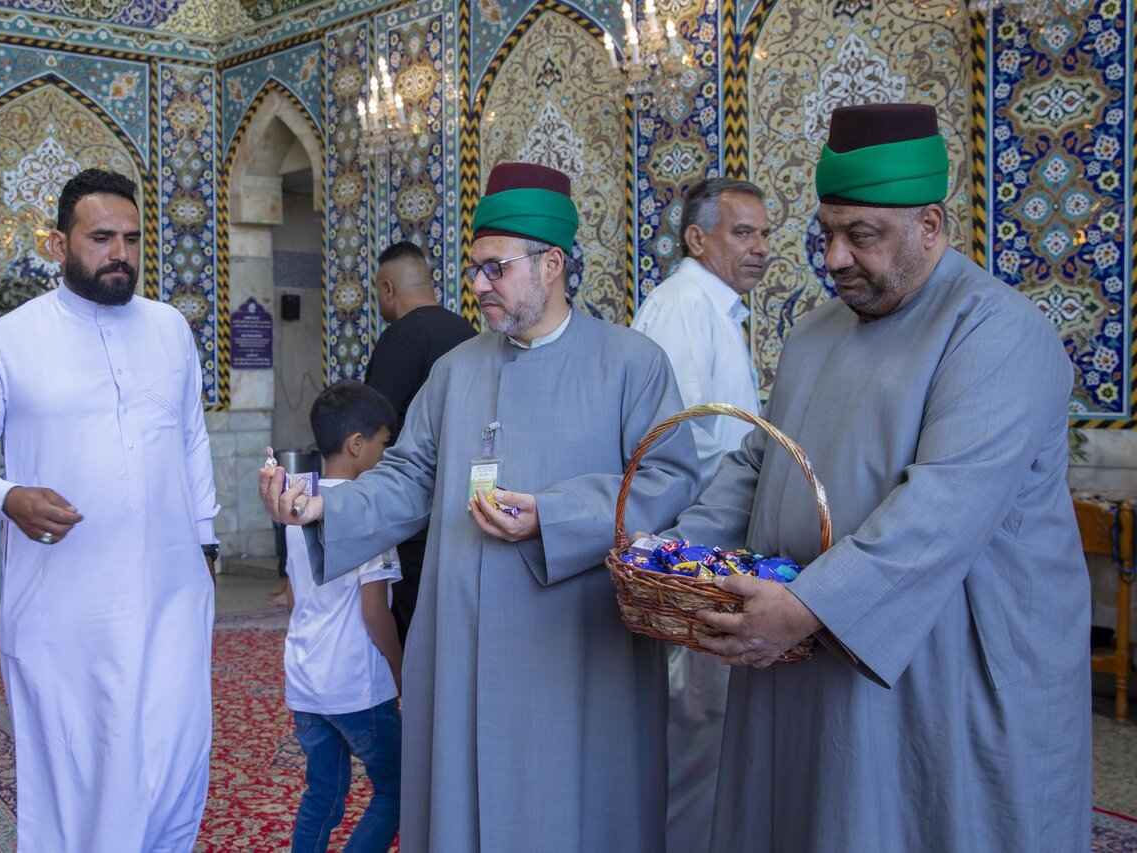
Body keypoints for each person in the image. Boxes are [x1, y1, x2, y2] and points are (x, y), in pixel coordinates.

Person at [665, 103, 1091, 851]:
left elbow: (942, 508)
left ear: (929, 225)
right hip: (804, 655)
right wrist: (668, 554)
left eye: (860, 235)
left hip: (944, 671)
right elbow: (761, 462)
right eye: (826, 233)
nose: (834, 258)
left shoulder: (995, 331)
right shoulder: (814, 333)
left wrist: (805, 606)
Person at [262, 162, 700, 851]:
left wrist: (555, 515)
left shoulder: (631, 364)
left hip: (574, 650)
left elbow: (668, 480)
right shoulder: (456, 370)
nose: (478, 285)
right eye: (474, 268)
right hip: (461, 638)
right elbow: (407, 475)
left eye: (496, 269)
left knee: (572, 811)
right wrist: (322, 508)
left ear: (551, 264)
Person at [0, 168, 220, 852]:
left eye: (132, 239)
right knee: (82, 765)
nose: (120, 253)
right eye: (101, 238)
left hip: (173, 590)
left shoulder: (169, 329)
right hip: (64, 601)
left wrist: (205, 544)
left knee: (174, 755)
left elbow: (190, 438)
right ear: (59, 244)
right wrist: (6, 496)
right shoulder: (9, 341)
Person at [631, 177, 771, 852]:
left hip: (713, 552)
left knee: (707, 729)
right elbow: (678, 447)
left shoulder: (712, 309)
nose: (760, 247)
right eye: (743, 233)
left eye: (764, 234)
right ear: (696, 238)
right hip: (693, 557)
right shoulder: (686, 307)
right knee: (693, 726)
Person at [281, 380, 403, 853]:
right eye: (384, 443)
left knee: (323, 794)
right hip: (357, 685)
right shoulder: (367, 512)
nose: (386, 455)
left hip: (307, 681)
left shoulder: (297, 505)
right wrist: (401, 673)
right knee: (394, 791)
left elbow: (293, 596)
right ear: (357, 444)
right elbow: (375, 613)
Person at [364, 240, 476, 643]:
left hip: (415, 517)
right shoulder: (469, 334)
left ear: (387, 289)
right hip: (469, 508)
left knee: (414, 624)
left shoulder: (400, 339)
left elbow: (373, 428)